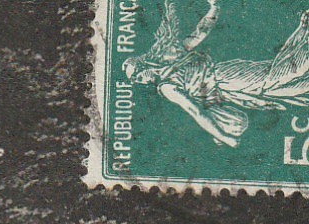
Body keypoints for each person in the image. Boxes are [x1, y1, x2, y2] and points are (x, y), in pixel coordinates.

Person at [123, 0, 309, 147]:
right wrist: (224, 136)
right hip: (226, 90)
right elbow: (198, 111)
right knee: (279, 87)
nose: (140, 81)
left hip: (224, 76)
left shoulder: (170, 69)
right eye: (136, 80)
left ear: (144, 64)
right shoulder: (165, 85)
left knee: (274, 77)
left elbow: (200, 32)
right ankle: (304, 34)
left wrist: (214, 9)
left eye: (137, 76)